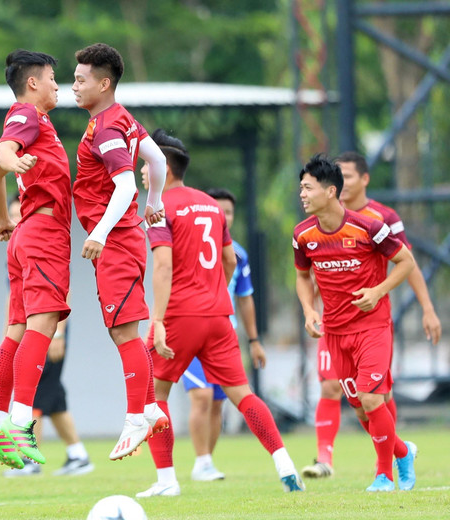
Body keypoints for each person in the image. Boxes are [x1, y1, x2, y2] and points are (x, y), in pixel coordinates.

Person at [140, 129, 304, 497]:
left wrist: (158, 320)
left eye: (146, 166)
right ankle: (284, 463)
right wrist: (214, 291)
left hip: (179, 314)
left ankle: (167, 481)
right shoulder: (211, 206)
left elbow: (163, 268)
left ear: (163, 168)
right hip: (218, 315)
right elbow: (230, 259)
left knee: (153, 395)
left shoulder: (159, 208)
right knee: (243, 395)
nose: (141, 173)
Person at [302, 151, 439, 479]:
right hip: (332, 324)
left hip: (371, 322)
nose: (344, 181)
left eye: (348, 176)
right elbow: (308, 272)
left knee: (375, 396)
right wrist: (311, 309)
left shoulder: (379, 219)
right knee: (342, 392)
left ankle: (385, 468)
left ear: (363, 179)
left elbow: (406, 262)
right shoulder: (309, 230)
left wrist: (427, 308)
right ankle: (336, 456)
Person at [70, 43, 169, 460]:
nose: (73, 86)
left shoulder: (108, 128)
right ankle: (147, 408)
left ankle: (136, 417)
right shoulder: (120, 118)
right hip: (125, 237)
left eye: (80, 80)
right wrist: (155, 201)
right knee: (121, 330)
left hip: (116, 241)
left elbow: (127, 184)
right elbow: (158, 158)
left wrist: (100, 234)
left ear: (103, 83)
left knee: (124, 332)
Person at [0, 49, 74, 471]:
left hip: (23, 235)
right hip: (43, 235)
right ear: (33, 82)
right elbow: (1, 158)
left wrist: (3, 221)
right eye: (53, 77)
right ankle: (20, 423)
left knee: (17, 330)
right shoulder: (26, 114)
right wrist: (12, 155)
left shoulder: (36, 121)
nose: (58, 84)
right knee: (43, 324)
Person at [178, 188, 266, 482]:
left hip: (223, 335)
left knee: (217, 401)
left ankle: (207, 462)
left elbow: (245, 298)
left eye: (228, 212)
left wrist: (254, 341)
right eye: (218, 210)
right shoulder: (188, 245)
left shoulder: (238, 255)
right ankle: (200, 460)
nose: (223, 216)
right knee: (200, 396)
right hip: (190, 329)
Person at [1, 200, 92, 477]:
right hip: (29, 330)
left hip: (49, 331)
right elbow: (14, 297)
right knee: (54, 396)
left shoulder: (43, 242)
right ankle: (78, 456)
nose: (17, 218)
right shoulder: (17, 247)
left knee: (36, 394)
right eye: (13, 214)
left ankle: (30, 460)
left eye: (20, 213)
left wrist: (59, 333)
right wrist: (9, 336)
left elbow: (64, 289)